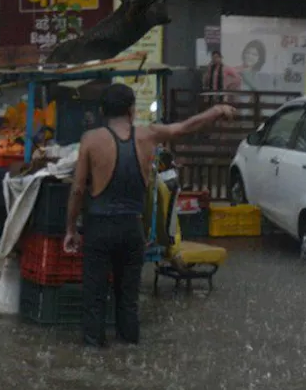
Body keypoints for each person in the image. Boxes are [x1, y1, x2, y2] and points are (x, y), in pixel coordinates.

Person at [63, 84, 235, 347]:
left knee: (94, 297)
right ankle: (129, 352)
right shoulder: (148, 136)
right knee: (128, 299)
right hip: (133, 230)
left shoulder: (91, 139)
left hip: (99, 229)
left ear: (101, 111)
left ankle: (94, 356)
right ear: (132, 110)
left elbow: (77, 189)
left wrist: (71, 230)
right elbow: (185, 127)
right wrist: (216, 110)